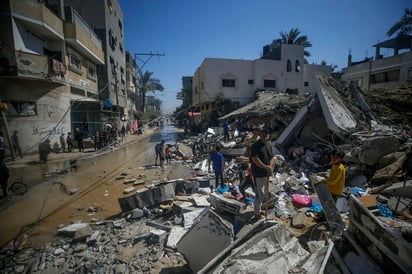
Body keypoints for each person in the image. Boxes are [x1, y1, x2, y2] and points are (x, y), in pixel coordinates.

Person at [250, 128, 276, 220]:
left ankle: (262, 210)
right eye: (263, 133)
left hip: (266, 174)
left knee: (265, 194)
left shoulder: (268, 145)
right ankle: (257, 214)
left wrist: (270, 167)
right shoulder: (255, 146)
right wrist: (266, 167)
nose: (265, 135)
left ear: (269, 135)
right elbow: (255, 159)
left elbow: (272, 158)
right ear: (260, 134)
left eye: (266, 134)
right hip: (258, 174)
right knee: (259, 194)